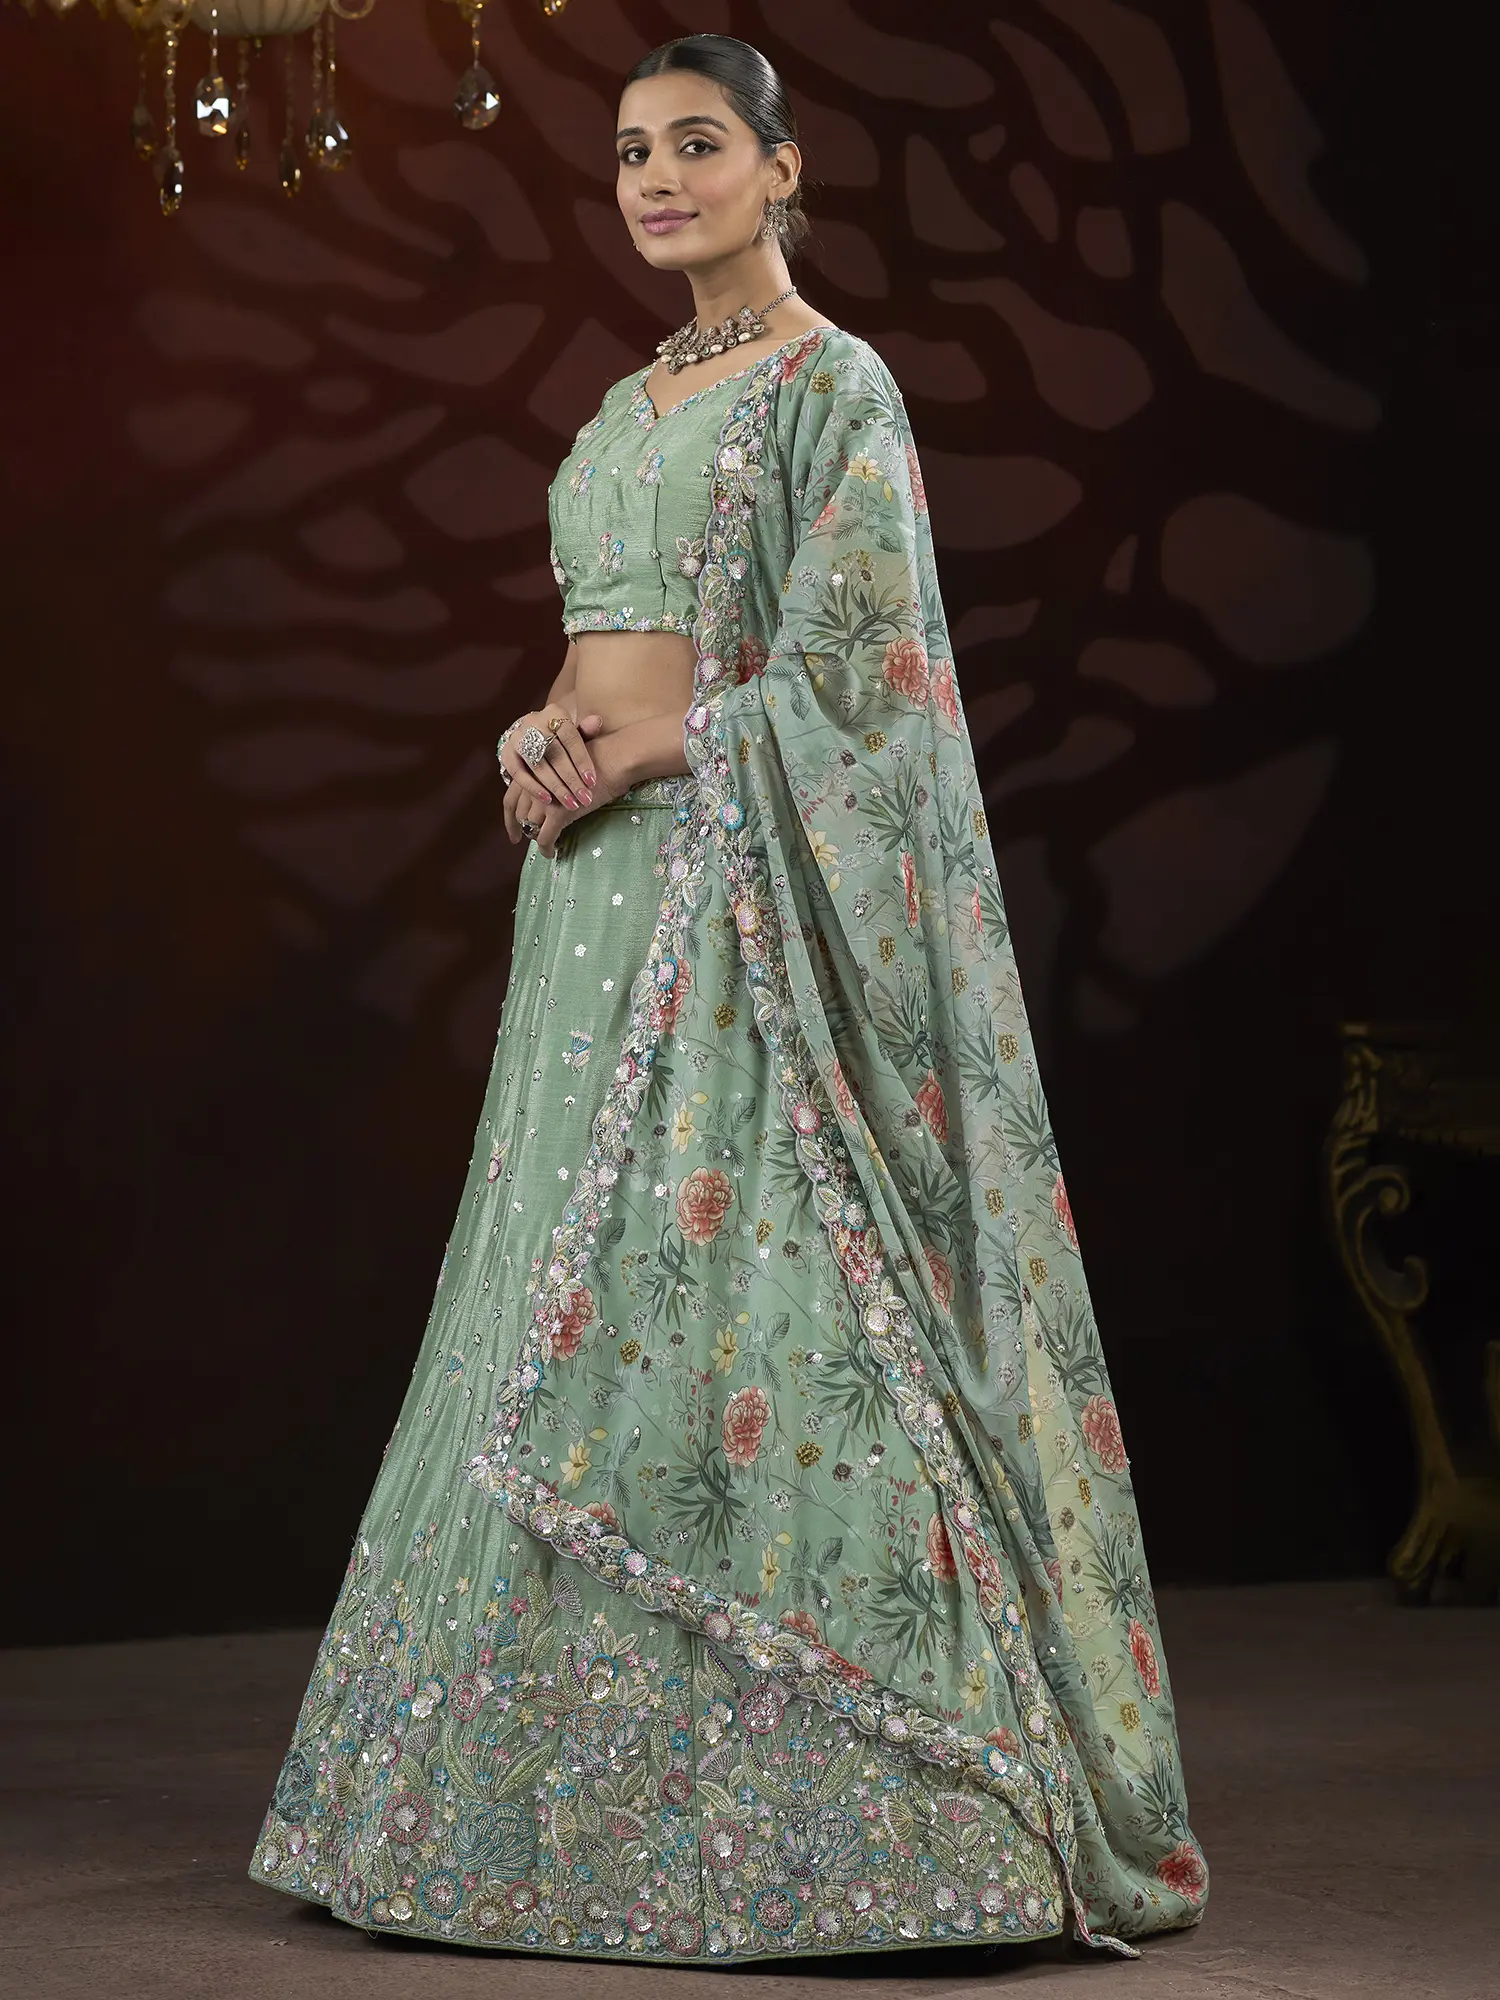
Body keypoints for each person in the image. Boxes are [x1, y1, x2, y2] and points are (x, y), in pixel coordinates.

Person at [249, 32, 1209, 1965]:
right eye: (631, 154)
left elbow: (866, 685)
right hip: (592, 901)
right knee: (560, 1297)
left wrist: (652, 751)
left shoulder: (836, 386)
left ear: (784, 170)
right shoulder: (625, 407)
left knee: (757, 1291)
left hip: (736, 895)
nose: (658, 181)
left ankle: (886, 1813)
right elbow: (598, 648)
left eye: (699, 145)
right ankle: (517, 1812)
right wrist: (537, 734)